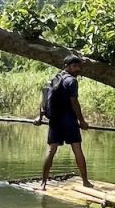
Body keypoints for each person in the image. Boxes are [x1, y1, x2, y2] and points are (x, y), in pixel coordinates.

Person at [35, 55, 91, 190]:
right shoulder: (72, 81)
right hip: (69, 120)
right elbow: (74, 102)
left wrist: (40, 117)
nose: (78, 69)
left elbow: (44, 100)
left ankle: (43, 184)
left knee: (51, 150)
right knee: (77, 149)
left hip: (54, 120)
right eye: (74, 66)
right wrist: (82, 121)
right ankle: (85, 182)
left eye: (79, 66)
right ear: (66, 66)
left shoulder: (54, 79)